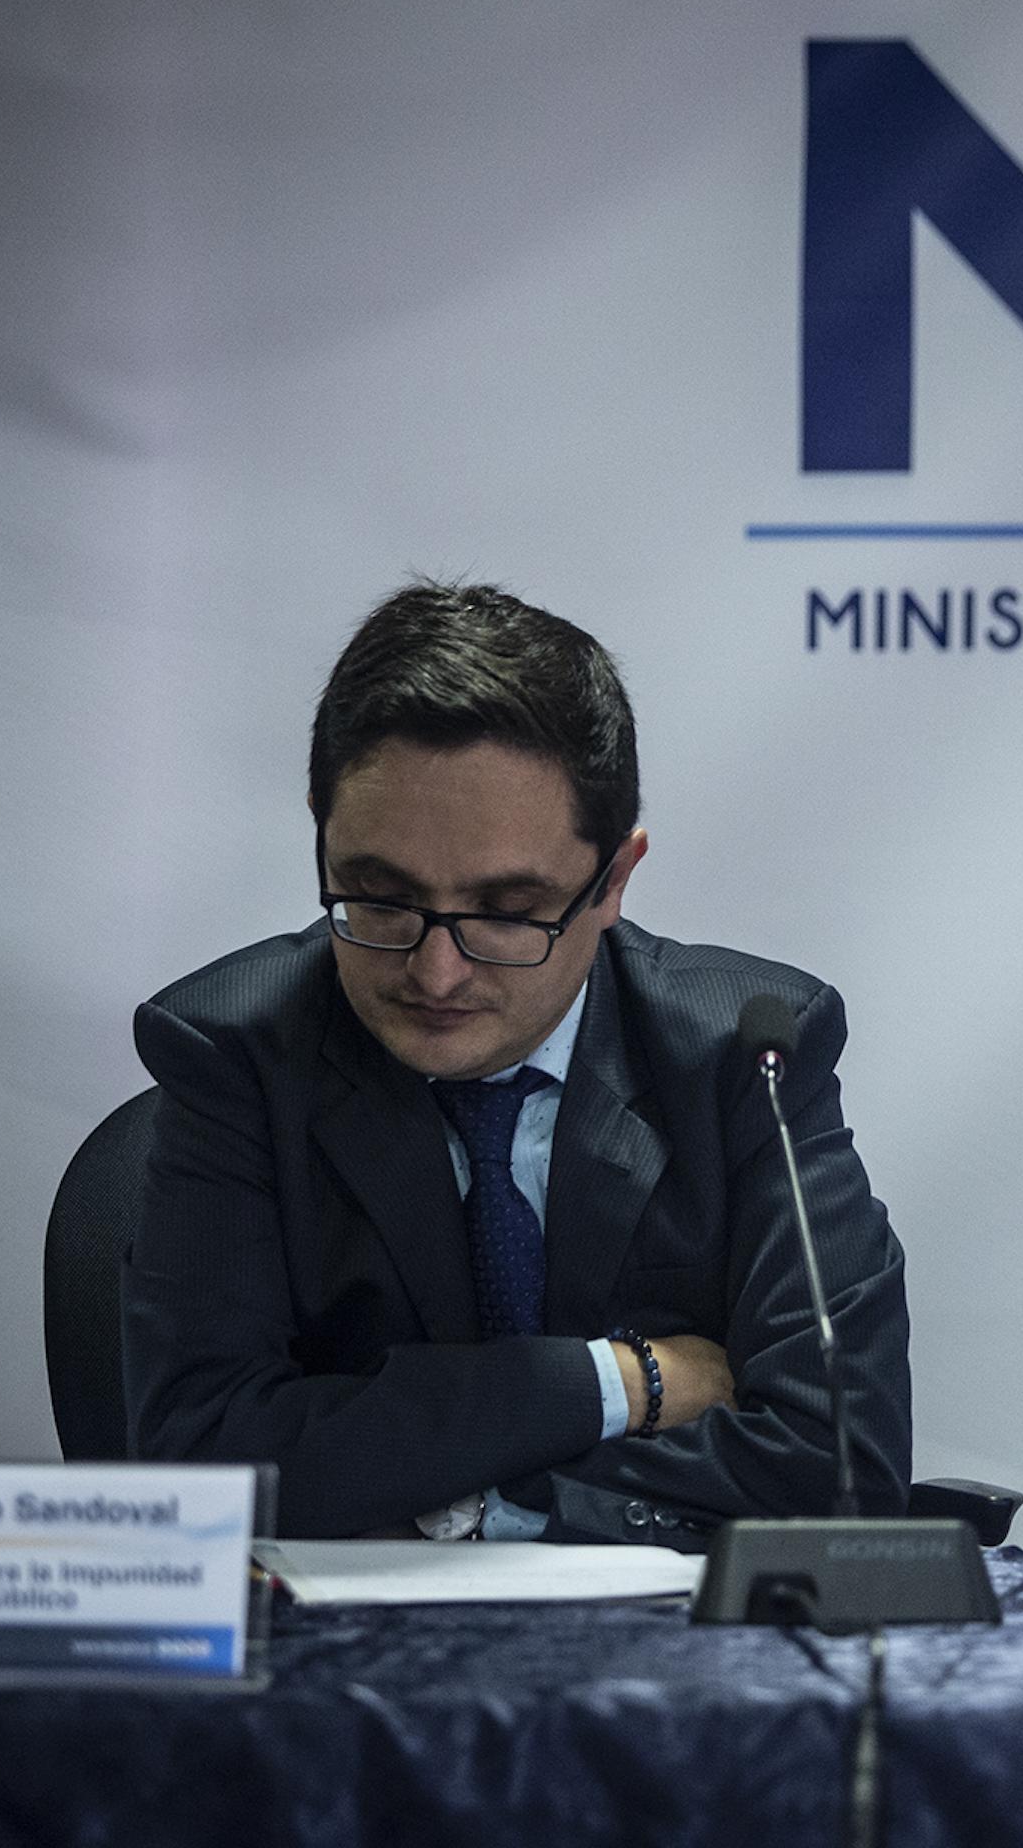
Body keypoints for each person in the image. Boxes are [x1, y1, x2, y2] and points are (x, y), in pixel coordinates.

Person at [123, 582, 911, 1542]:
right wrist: (617, 1383)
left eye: (505, 909)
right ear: (322, 836)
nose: (435, 970)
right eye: (379, 896)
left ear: (614, 879)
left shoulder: (747, 1054)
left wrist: (489, 1501)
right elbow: (201, 1464)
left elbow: (838, 1464)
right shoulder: (235, 1054)